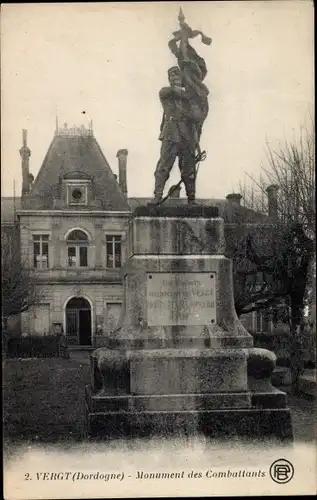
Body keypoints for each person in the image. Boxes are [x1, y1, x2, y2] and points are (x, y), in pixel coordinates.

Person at [150, 66, 205, 205]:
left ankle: (191, 199)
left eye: (177, 78)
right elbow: (173, 92)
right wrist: (191, 92)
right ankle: (157, 196)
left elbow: (198, 115)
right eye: (172, 78)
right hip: (171, 133)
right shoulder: (166, 92)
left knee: (188, 168)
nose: (174, 80)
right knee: (164, 165)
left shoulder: (190, 98)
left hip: (187, 136)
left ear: (182, 79)